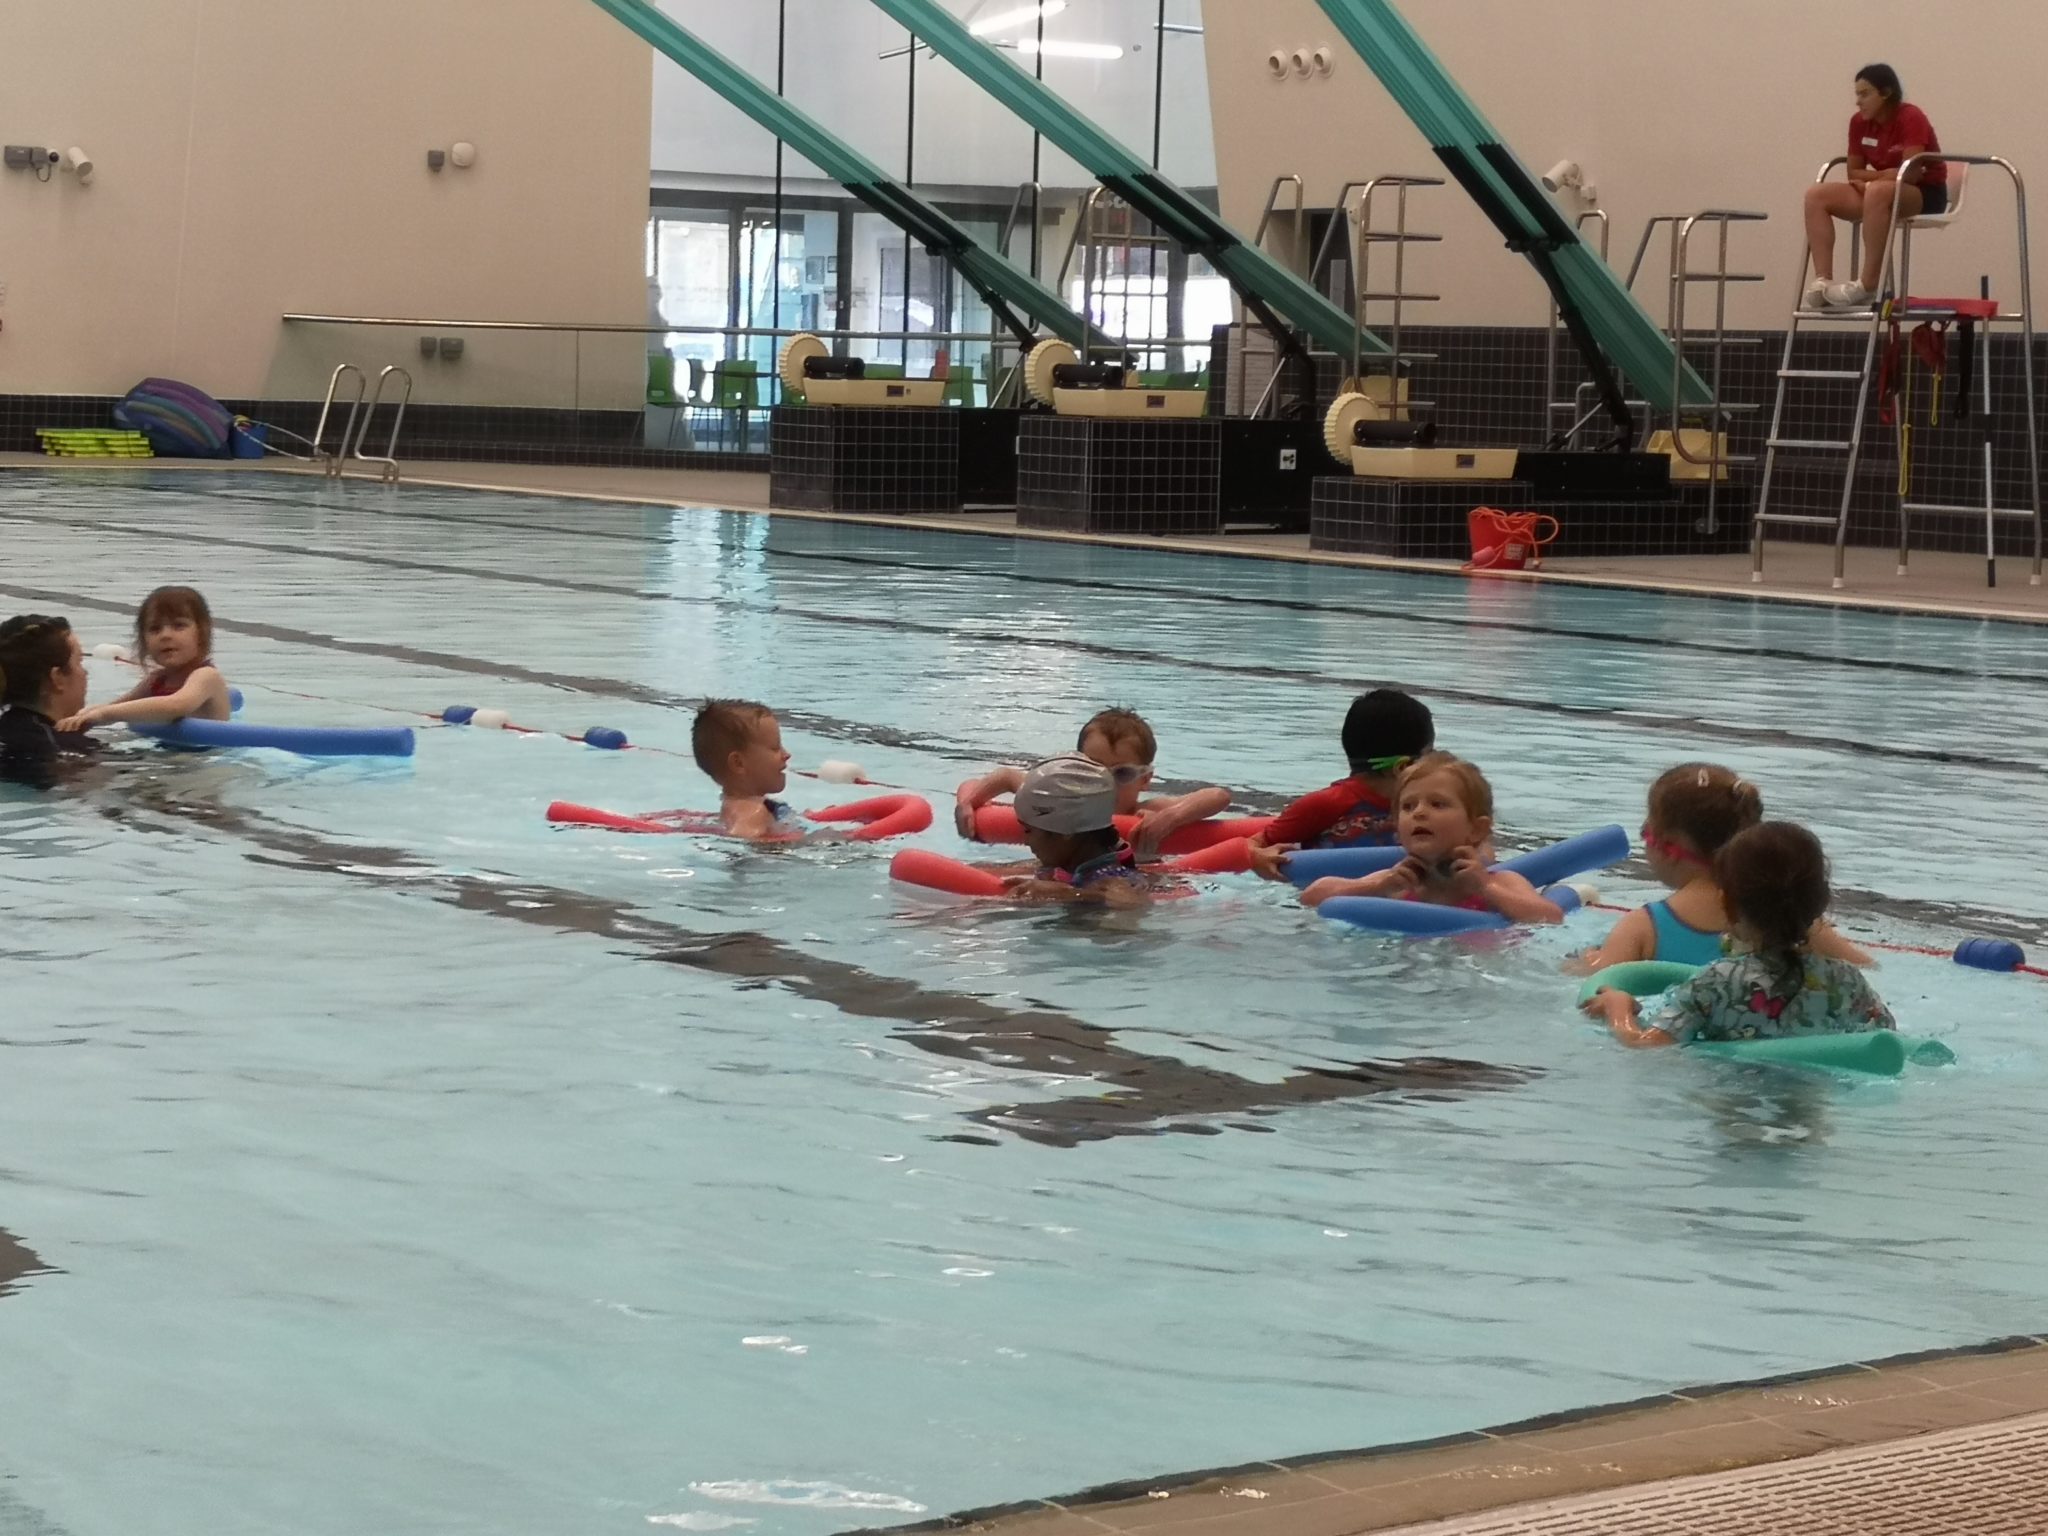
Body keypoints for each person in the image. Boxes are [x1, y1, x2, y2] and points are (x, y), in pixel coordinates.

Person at [1585, 822, 1895, 1048]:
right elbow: (1885, 1038)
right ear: (1819, 903)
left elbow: (1646, 1047)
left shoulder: (1716, 982)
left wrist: (1618, 1010)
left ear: (1727, 906)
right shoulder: (1846, 981)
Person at [1572, 763, 1873, 972]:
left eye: (1646, 832)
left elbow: (1599, 989)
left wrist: (1586, 961)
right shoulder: (1790, 919)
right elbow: (1865, 968)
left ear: (1668, 845)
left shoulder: (1644, 927)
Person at [1297, 753, 1564, 924]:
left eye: (1437, 804)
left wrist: (1484, 888)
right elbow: (1312, 896)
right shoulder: (1395, 883)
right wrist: (1377, 888)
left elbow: (1551, 917)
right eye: (1408, 807)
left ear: (1476, 830)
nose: (1420, 813)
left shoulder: (1500, 882)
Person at [954, 707, 1231, 859]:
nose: (1104, 782)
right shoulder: (1056, 797)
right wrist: (969, 803)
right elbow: (1006, 776)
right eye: (1092, 768)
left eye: (1120, 774)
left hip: (1133, 886)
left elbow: (1218, 796)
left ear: (1145, 779)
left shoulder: (1146, 814)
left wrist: (1172, 818)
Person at [1803, 64, 1948, 311]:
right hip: (1878, 191)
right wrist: (1883, 177)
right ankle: (1822, 281)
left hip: (1924, 191)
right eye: (1857, 94)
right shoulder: (1858, 123)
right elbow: (1853, 171)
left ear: (1886, 93)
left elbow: (1911, 173)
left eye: (1865, 94)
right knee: (1816, 195)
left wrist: (1875, 180)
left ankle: (1868, 285)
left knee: (1878, 192)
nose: (1858, 102)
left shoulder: (1911, 117)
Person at [1249, 689, 1435, 880]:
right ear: (1402, 766)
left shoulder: (1427, 807)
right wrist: (1257, 858)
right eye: (1430, 755)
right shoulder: (1326, 804)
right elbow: (1254, 845)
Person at [57, 585, 232, 734]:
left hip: (207, 760)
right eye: (155, 629)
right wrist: (85, 715)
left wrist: (104, 714)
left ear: (202, 632)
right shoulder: (156, 680)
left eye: (179, 626)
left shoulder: (207, 676)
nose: (165, 635)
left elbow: (176, 705)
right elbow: (119, 705)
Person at [1001, 753, 1151, 910]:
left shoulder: (1111, 879)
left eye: (1028, 831)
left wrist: (1069, 894)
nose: (1026, 841)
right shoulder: (1071, 864)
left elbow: (1134, 905)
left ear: (1065, 830)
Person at [0, 613, 98, 791]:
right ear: (57, 678)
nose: (85, 673)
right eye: (79, 662)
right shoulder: (62, 746)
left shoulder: (9, 730)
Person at [692, 698, 795, 840]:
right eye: (775, 747)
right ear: (738, 763)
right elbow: (743, 843)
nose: (786, 755)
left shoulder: (740, 806)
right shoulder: (753, 812)